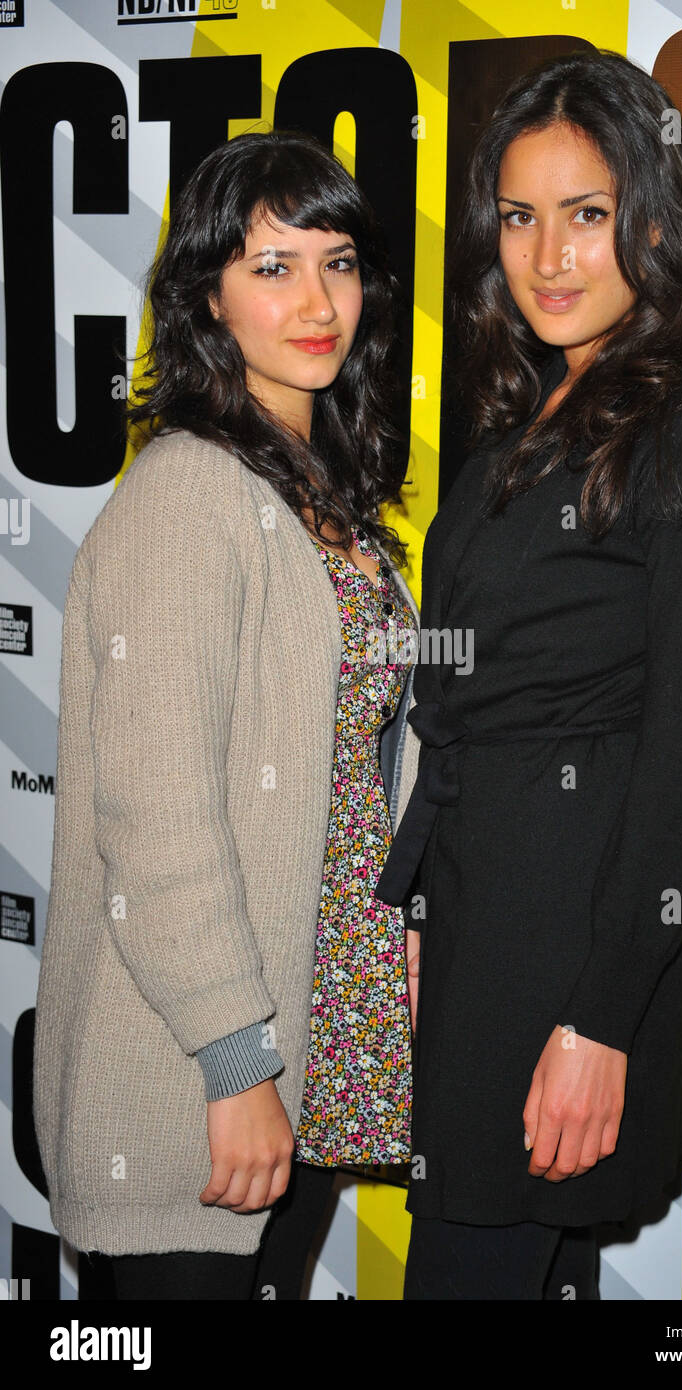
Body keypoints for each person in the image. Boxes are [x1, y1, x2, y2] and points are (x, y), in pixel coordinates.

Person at [376, 50, 682, 1301]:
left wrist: (603, 1017)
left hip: (573, 934)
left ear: (652, 222)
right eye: (519, 216)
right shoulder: (521, 412)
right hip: (479, 904)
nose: (548, 255)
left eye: (587, 214)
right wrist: (416, 909)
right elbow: (459, 699)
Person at [33, 128, 420, 1301]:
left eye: (340, 262)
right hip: (197, 1078)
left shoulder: (322, 492)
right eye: (273, 266)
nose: (319, 301)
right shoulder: (191, 493)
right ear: (207, 293)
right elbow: (157, 819)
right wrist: (236, 1061)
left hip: (308, 1030)